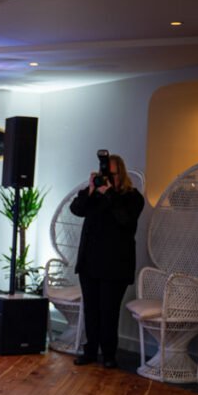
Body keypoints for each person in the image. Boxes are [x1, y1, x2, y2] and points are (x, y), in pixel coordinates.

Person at [69, 153, 144, 368]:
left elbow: (125, 220)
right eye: (104, 174)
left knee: (109, 311)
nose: (107, 178)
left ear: (121, 174)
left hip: (115, 265)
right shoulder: (93, 194)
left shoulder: (132, 197)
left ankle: (109, 355)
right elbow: (76, 209)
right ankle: (90, 351)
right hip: (90, 262)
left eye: (111, 174)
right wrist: (92, 190)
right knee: (91, 310)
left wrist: (109, 193)